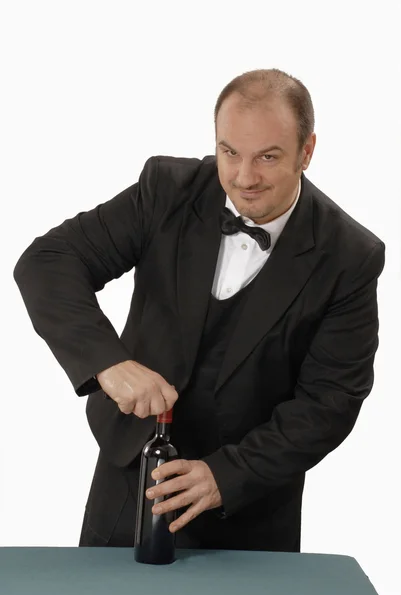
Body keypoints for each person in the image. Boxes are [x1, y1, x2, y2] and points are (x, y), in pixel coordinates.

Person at [13, 68, 385, 552]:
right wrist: (108, 362)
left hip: (251, 506)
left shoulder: (350, 256)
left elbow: (330, 402)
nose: (244, 177)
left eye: (267, 157)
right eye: (229, 152)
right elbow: (49, 261)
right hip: (129, 483)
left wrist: (225, 476)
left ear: (307, 151)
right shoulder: (166, 189)